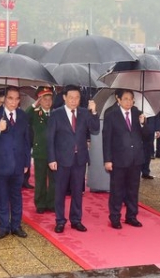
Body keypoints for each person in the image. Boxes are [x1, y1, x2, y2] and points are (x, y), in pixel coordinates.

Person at [47, 85, 100, 233]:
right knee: (60, 191)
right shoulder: (56, 114)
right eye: (71, 97)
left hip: (80, 159)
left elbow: (95, 128)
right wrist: (51, 159)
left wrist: (94, 111)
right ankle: (60, 220)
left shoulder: (84, 113)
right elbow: (50, 139)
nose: (74, 100)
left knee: (77, 191)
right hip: (61, 159)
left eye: (77, 97)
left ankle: (76, 220)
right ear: (64, 97)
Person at [0, 86, 31, 239]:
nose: (13, 102)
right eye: (10, 98)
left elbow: (27, 140)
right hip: (0, 165)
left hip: (18, 164)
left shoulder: (22, 116)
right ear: (4, 99)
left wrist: (27, 162)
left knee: (16, 197)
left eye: (16, 99)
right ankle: (3, 227)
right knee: (1, 197)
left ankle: (16, 226)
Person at [103, 89, 151, 229]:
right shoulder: (111, 115)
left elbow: (147, 136)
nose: (129, 102)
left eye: (131, 99)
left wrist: (143, 124)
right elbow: (107, 139)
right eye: (125, 99)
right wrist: (107, 160)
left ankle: (131, 216)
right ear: (118, 100)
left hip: (135, 159)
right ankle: (115, 217)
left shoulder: (137, 113)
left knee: (133, 190)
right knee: (117, 190)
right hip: (118, 159)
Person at [26, 86, 55, 214]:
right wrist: (34, 105)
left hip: (54, 152)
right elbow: (25, 117)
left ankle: (52, 203)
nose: (47, 102)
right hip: (40, 151)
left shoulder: (56, 113)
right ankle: (40, 203)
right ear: (40, 100)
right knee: (40, 179)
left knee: (54, 180)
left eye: (49, 99)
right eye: (44, 99)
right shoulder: (35, 113)